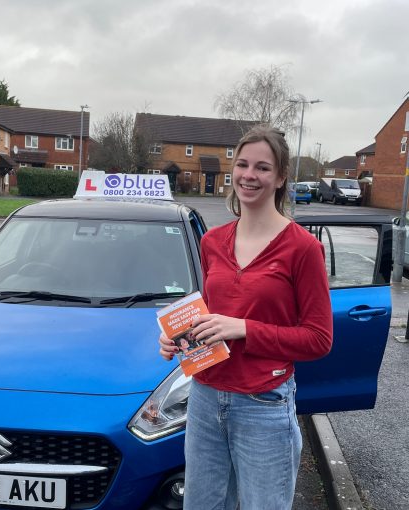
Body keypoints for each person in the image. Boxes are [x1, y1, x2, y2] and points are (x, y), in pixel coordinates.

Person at [159, 125, 333, 509]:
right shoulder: (212, 241)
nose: (249, 175)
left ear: (281, 177)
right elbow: (209, 311)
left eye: (262, 168)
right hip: (204, 398)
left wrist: (243, 330)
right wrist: (179, 338)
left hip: (264, 405)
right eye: (242, 165)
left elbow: (319, 339)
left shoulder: (303, 249)